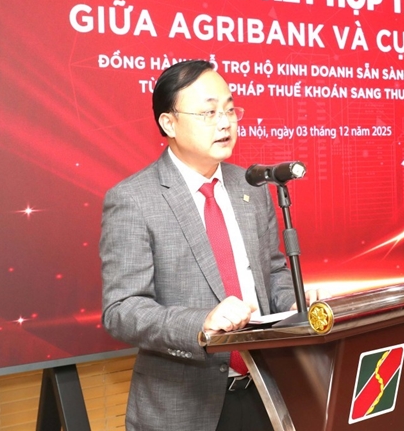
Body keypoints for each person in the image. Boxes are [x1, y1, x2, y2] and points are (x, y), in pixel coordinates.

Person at [100, 59, 299, 431]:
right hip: (184, 407)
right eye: (209, 112)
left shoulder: (252, 188)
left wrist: (293, 304)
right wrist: (200, 323)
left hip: (265, 392)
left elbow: (273, 272)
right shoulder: (133, 199)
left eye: (229, 110)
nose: (225, 123)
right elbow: (122, 310)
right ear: (169, 123)